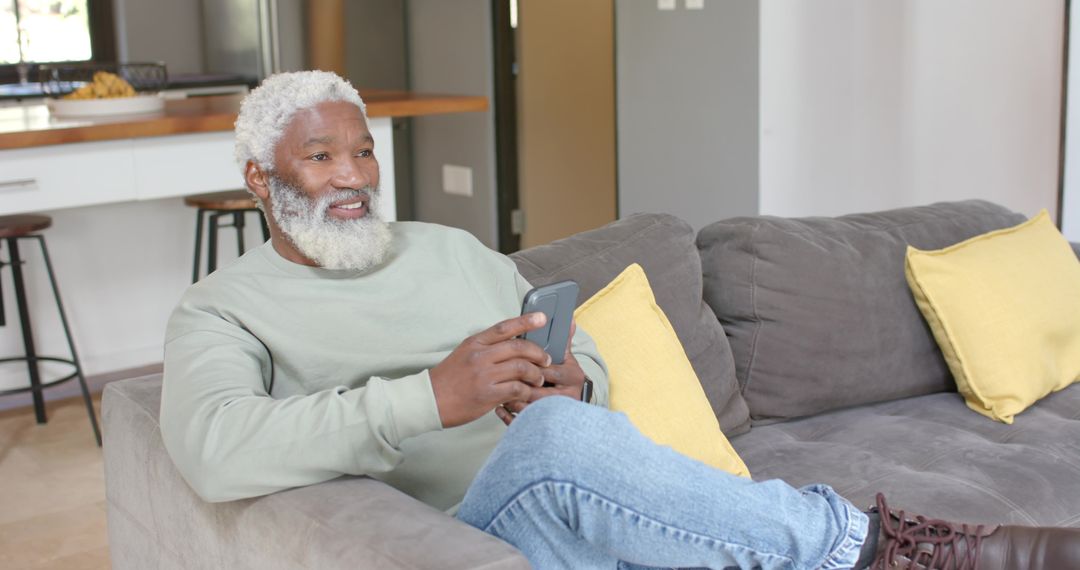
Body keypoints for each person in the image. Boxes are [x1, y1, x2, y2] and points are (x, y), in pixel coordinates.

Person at [160, 71, 1080, 570]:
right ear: (260, 181)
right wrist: (429, 399)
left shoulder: (447, 250)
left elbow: (574, 341)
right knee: (561, 437)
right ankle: (882, 549)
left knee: (572, 426)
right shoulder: (221, 308)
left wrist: (577, 375)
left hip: (574, 513)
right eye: (322, 158)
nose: (356, 176)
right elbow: (211, 446)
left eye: (363, 151)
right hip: (464, 527)